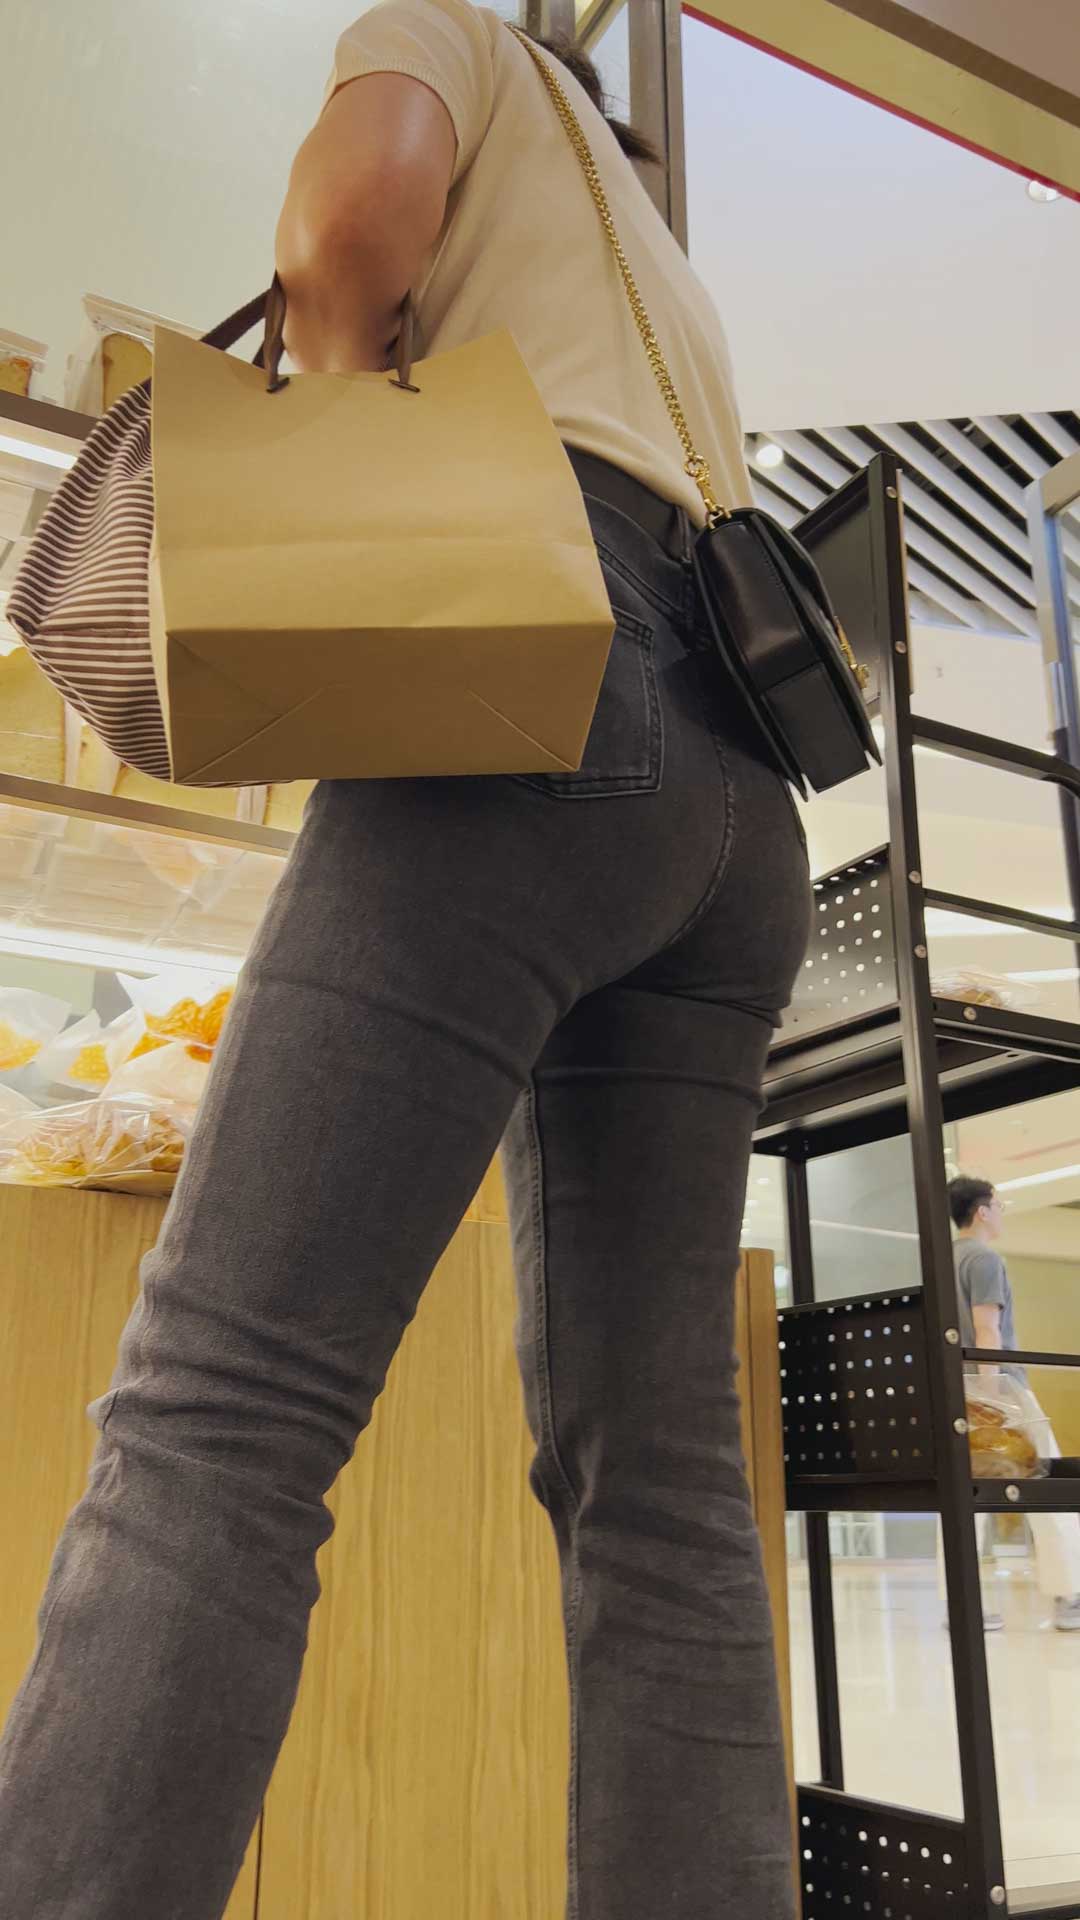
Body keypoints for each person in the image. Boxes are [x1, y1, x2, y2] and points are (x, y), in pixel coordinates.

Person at [0, 5, 811, 1918]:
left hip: (536, 698)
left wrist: (347, 436)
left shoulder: (442, 26)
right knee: (662, 1487)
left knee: (220, 1414)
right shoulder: (660, 266)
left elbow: (353, 212)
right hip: (746, 793)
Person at [946, 1175, 1080, 1633]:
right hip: (1000, 1389)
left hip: (956, 1391)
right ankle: (1069, 1596)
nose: (1001, 1213)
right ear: (981, 1211)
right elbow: (987, 1329)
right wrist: (994, 1395)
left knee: (962, 1496)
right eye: (998, 1206)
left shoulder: (943, 1259)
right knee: (1046, 1483)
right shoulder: (983, 1258)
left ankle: (961, 1604)